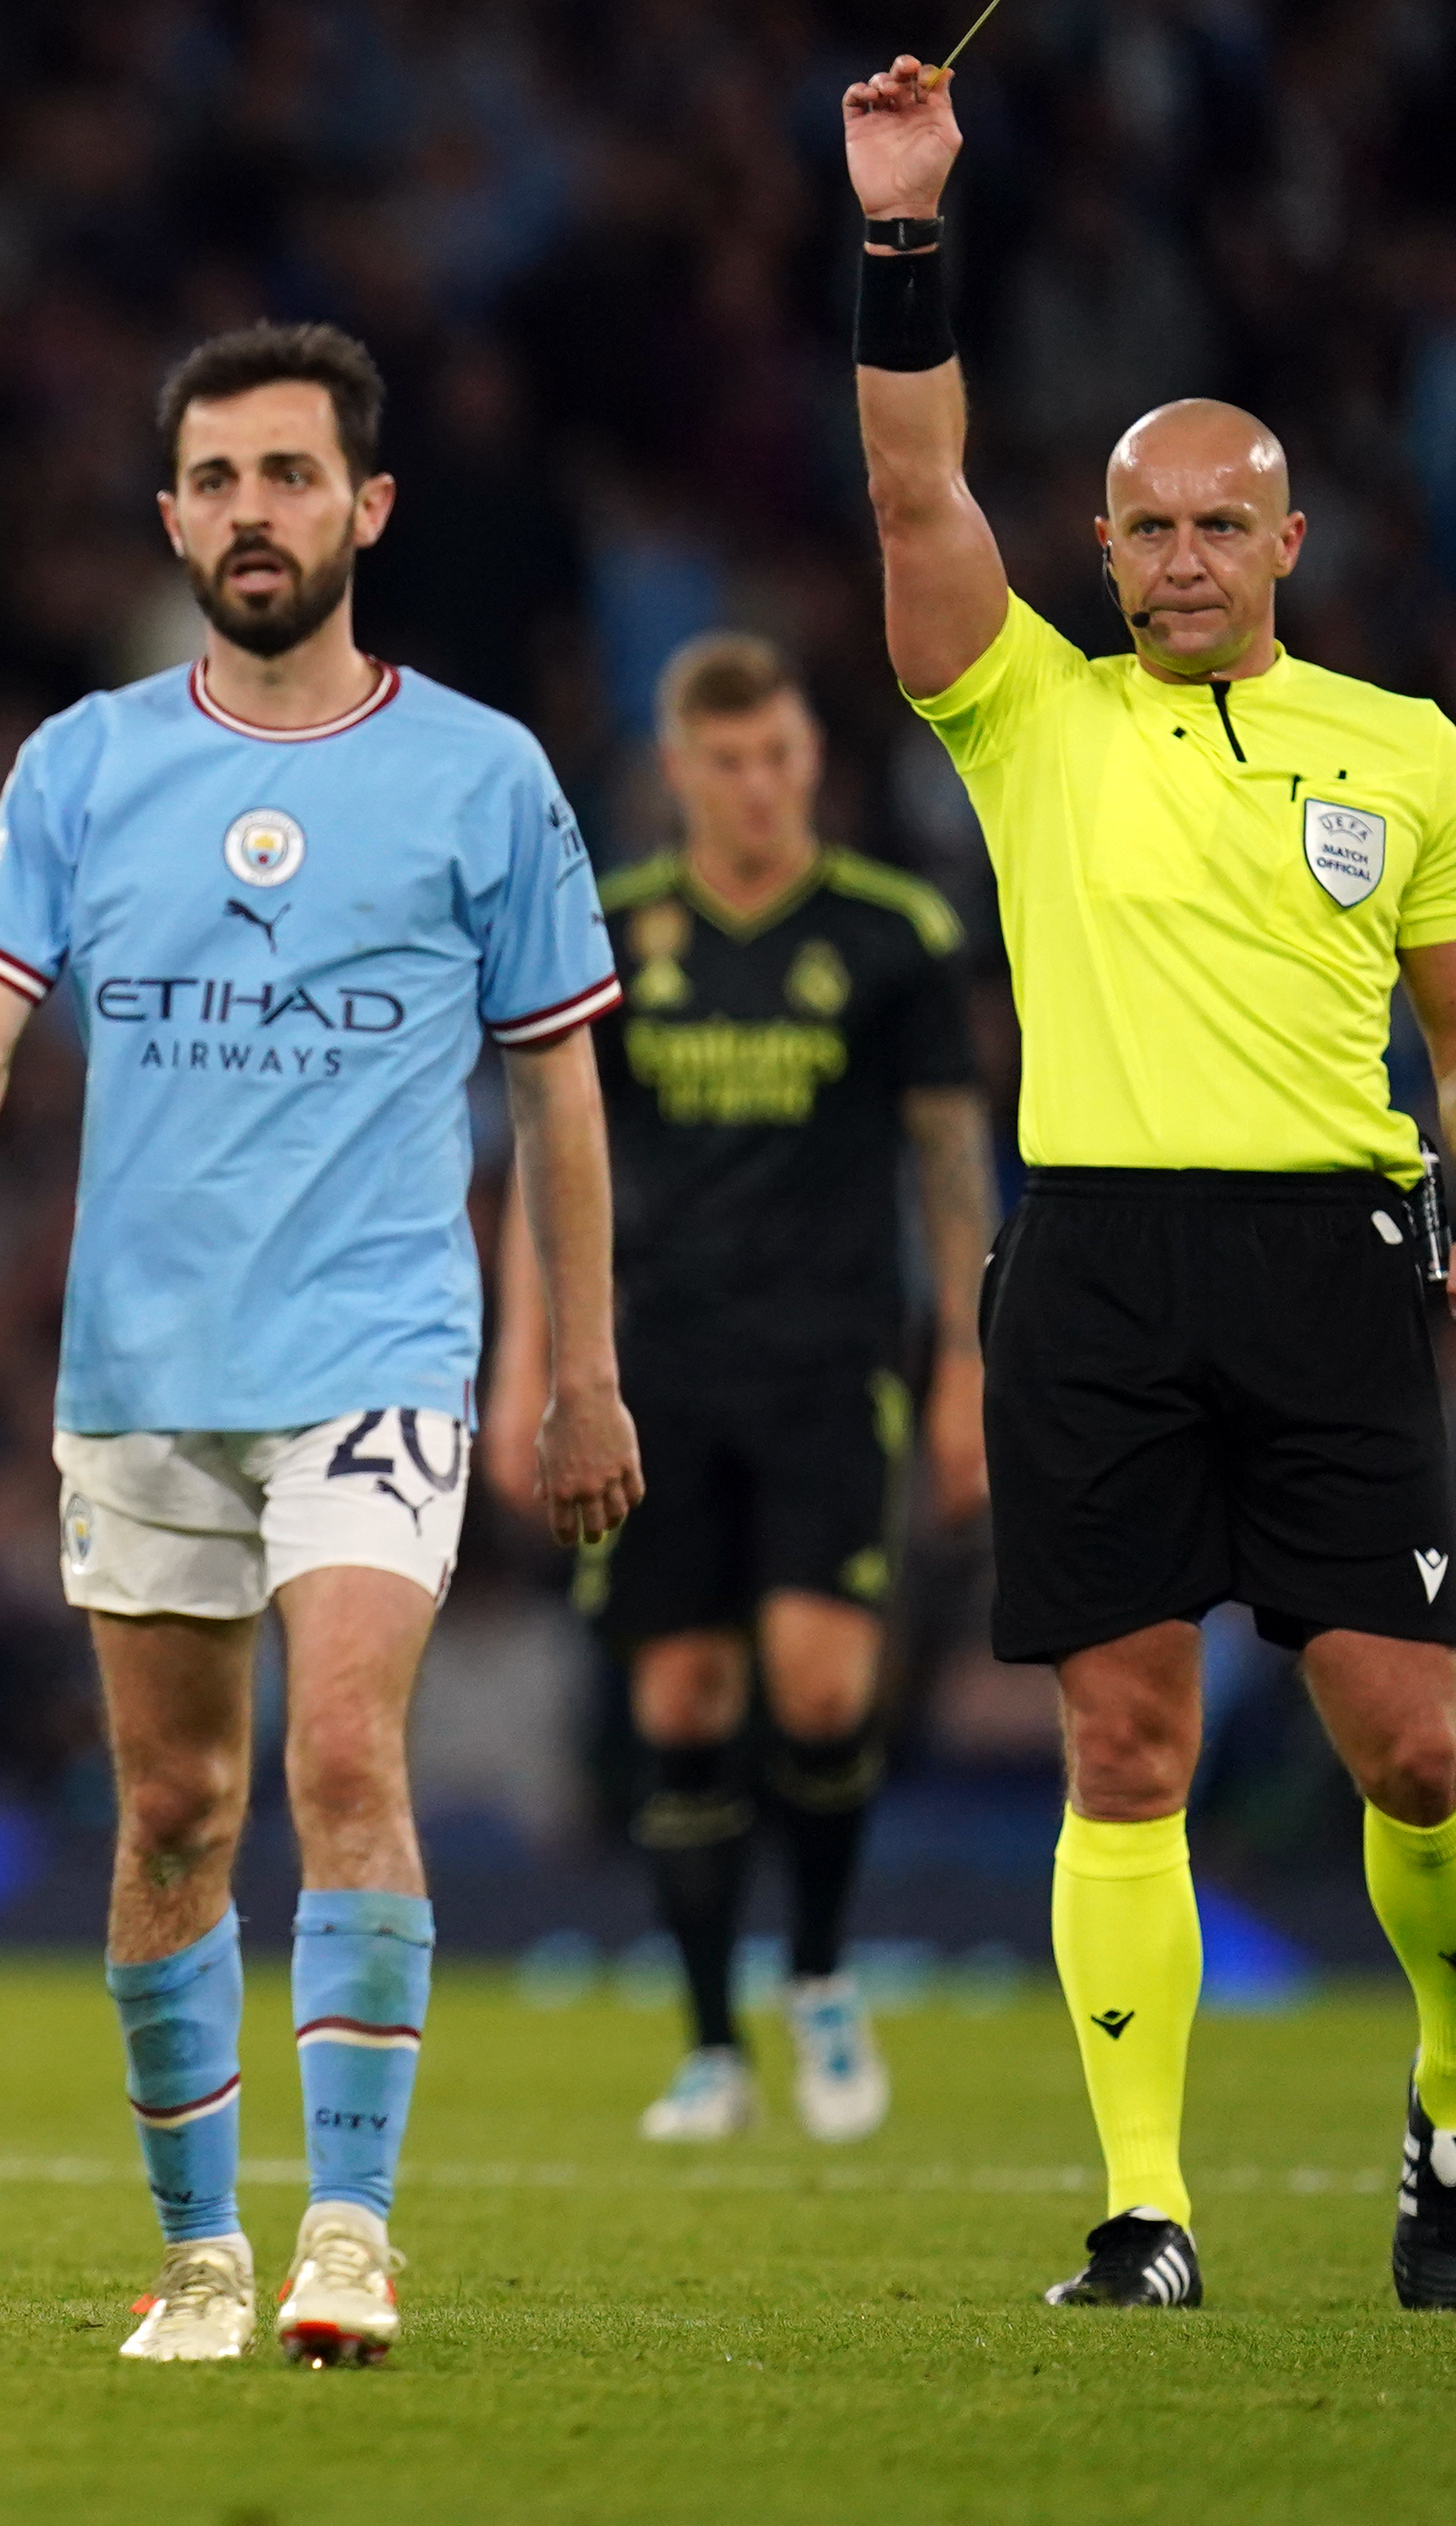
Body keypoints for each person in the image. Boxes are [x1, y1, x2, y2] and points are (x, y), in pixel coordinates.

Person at [0, 323, 641, 2368]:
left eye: (288, 475)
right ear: (170, 517)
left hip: (376, 1347)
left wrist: (580, 1368)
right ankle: (200, 2247)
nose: (251, 513)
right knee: (176, 1809)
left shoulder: (482, 773)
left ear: (366, 506)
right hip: (141, 1371)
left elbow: (558, 1091)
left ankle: (349, 2231)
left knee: (344, 1750)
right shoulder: (84, 763)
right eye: (214, 481)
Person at [840, 54, 1456, 2310]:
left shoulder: (1398, 750)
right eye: (1140, 528)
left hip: (1330, 1258)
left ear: (1284, 546)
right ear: (1103, 552)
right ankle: (1143, 2211)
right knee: (1121, 1740)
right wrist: (901, 230)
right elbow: (910, 482)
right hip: (1097, 1257)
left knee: (1408, 1744)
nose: (1173, 559)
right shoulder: (1025, 713)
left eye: (1212, 526)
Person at [487, 634, 992, 2145]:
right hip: (655, 1372)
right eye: (727, 762)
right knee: (684, 1697)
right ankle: (711, 2045)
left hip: (832, 1363)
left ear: (811, 760)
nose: (757, 787)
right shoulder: (610, 929)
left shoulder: (894, 933)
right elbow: (549, 1159)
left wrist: (966, 1361)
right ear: (678, 768)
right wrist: (526, 1364)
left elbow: (951, 1167)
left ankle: (821, 1975)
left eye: (778, 757)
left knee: (825, 1685)